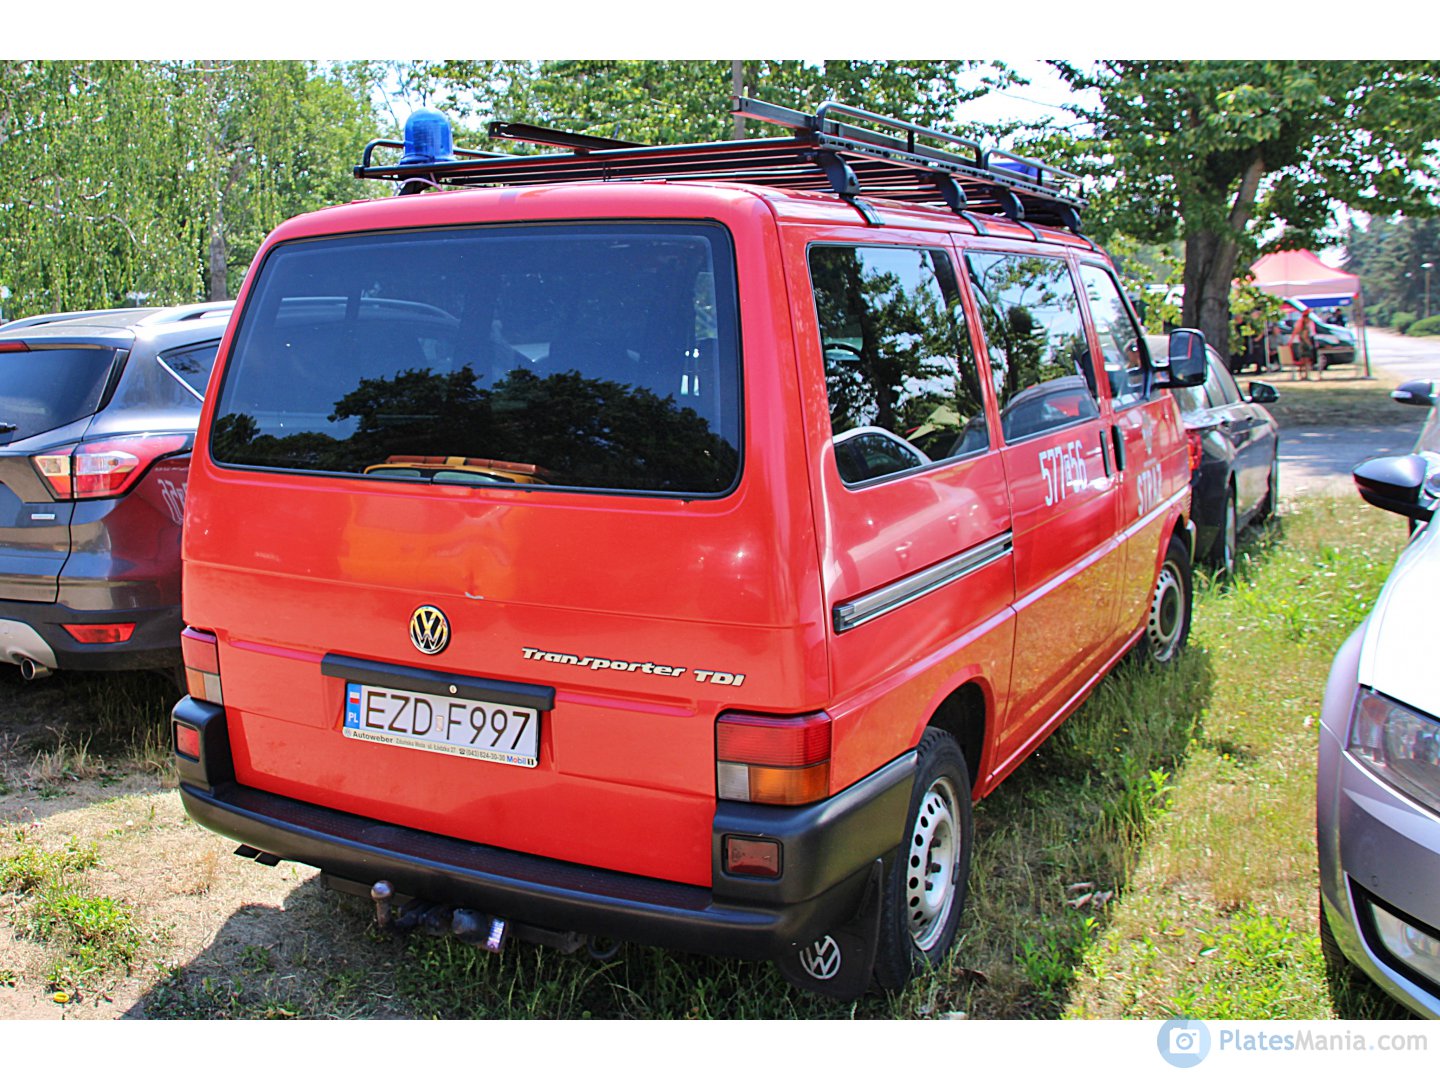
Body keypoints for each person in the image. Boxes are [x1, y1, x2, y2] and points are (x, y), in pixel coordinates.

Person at [1289, 309, 1317, 379]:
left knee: (1303, 360)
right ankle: (1305, 375)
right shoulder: (1305, 327)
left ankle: (1302, 375)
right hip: (1305, 345)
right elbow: (1305, 337)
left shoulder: (1302, 325)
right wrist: (1310, 344)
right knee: (1306, 360)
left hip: (1302, 344)